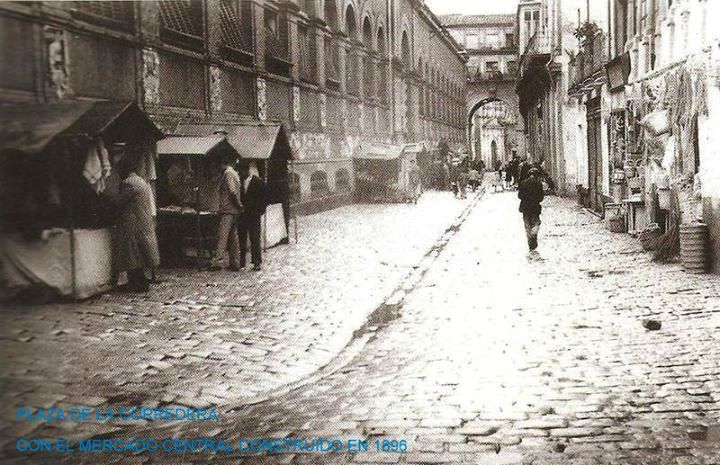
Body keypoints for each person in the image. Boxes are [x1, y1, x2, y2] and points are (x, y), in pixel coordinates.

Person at [115, 154, 160, 292]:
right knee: (141, 254)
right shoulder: (141, 181)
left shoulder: (128, 183)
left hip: (134, 224)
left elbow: (118, 202)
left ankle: (136, 284)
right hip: (143, 222)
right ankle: (141, 282)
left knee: (133, 255)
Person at [210, 154, 242, 270]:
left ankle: (218, 262)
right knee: (233, 238)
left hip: (228, 210)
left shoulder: (228, 173)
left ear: (223, 163)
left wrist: (238, 204)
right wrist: (238, 207)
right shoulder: (234, 174)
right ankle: (235, 262)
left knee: (222, 237)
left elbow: (232, 192)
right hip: (233, 211)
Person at [238, 161, 266, 271]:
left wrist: (260, 211)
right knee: (242, 238)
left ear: (247, 171)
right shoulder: (239, 182)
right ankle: (242, 262)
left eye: (241, 171)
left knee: (255, 238)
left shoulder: (258, 182)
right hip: (243, 215)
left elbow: (264, 197)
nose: (240, 174)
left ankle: (257, 262)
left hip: (254, 215)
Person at [518, 167, 545, 251]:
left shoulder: (523, 183)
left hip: (525, 207)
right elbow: (541, 197)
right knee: (536, 223)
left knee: (527, 225)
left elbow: (519, 196)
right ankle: (534, 236)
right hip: (535, 207)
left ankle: (530, 243)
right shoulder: (538, 184)